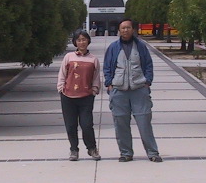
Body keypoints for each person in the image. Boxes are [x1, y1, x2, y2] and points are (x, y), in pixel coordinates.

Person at [103, 19, 162, 162]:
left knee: (144, 122)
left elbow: (148, 65)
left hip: (139, 89)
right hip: (119, 91)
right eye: (123, 28)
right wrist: (109, 84)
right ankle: (126, 153)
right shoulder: (113, 47)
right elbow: (107, 67)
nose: (125, 30)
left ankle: (153, 153)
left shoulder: (141, 46)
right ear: (119, 30)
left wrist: (147, 82)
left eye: (128, 27)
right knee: (121, 124)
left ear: (133, 29)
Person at [57, 30, 101, 161]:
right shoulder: (69, 57)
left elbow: (96, 77)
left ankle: (92, 148)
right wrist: (61, 88)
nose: (82, 42)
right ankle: (74, 150)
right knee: (71, 125)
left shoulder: (93, 59)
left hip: (86, 97)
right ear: (75, 42)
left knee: (87, 125)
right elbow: (62, 73)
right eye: (79, 40)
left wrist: (94, 90)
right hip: (68, 96)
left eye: (84, 39)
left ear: (88, 41)